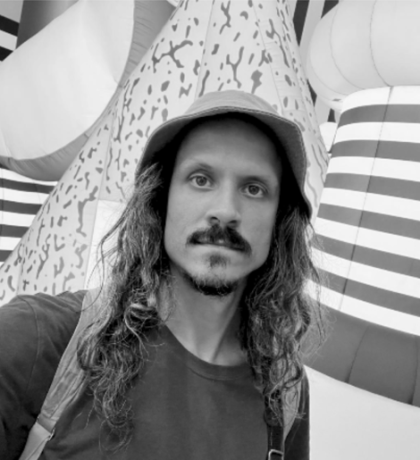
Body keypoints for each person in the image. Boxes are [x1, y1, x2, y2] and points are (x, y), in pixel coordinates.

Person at [0, 90, 324, 460]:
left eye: (254, 189)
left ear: (280, 220)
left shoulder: (285, 390)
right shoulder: (35, 339)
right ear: (160, 197)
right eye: (201, 179)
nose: (225, 210)